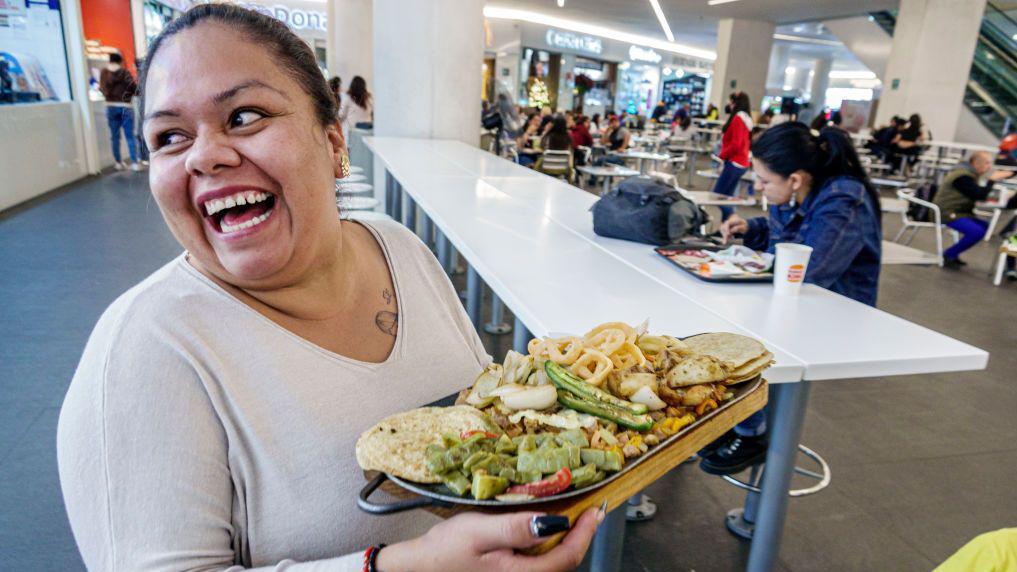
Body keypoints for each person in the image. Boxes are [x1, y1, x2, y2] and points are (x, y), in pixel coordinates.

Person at [57, 5, 602, 571]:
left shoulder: (400, 249)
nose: (204, 155)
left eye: (244, 116)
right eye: (169, 137)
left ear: (334, 141)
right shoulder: (144, 351)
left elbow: (488, 425)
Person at [701, 123, 882, 473]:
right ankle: (734, 419)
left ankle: (752, 432)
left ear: (795, 179)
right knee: (719, 322)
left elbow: (809, 270)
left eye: (765, 181)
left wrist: (769, 229)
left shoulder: (846, 199)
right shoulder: (807, 191)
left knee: (739, 332)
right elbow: (791, 233)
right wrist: (751, 229)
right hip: (798, 302)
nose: (758, 187)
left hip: (835, 313)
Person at [933, 151, 1012, 267]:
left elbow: (976, 193)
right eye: (987, 163)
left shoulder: (969, 174)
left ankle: (952, 254)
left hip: (958, 212)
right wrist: (991, 181)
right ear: (976, 163)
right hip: (946, 212)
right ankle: (949, 254)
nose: (989, 167)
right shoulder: (962, 176)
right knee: (976, 232)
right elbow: (978, 195)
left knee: (986, 227)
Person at [712, 91, 754, 220]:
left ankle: (733, 223)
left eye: (730, 102)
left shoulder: (738, 119)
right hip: (741, 163)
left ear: (734, 103)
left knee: (718, 196)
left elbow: (736, 143)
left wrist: (722, 155)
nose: (728, 105)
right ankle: (728, 227)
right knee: (726, 197)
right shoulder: (746, 119)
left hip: (734, 162)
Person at [99, 52, 140, 171]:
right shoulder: (125, 72)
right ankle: (134, 163)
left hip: (110, 106)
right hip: (125, 106)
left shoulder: (104, 73)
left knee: (115, 137)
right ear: (120, 61)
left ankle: (118, 162)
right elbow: (133, 88)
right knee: (130, 136)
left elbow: (102, 88)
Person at [339, 75, 372, 140]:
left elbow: (341, 115)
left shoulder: (348, 98)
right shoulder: (369, 98)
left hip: (354, 134)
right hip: (368, 133)